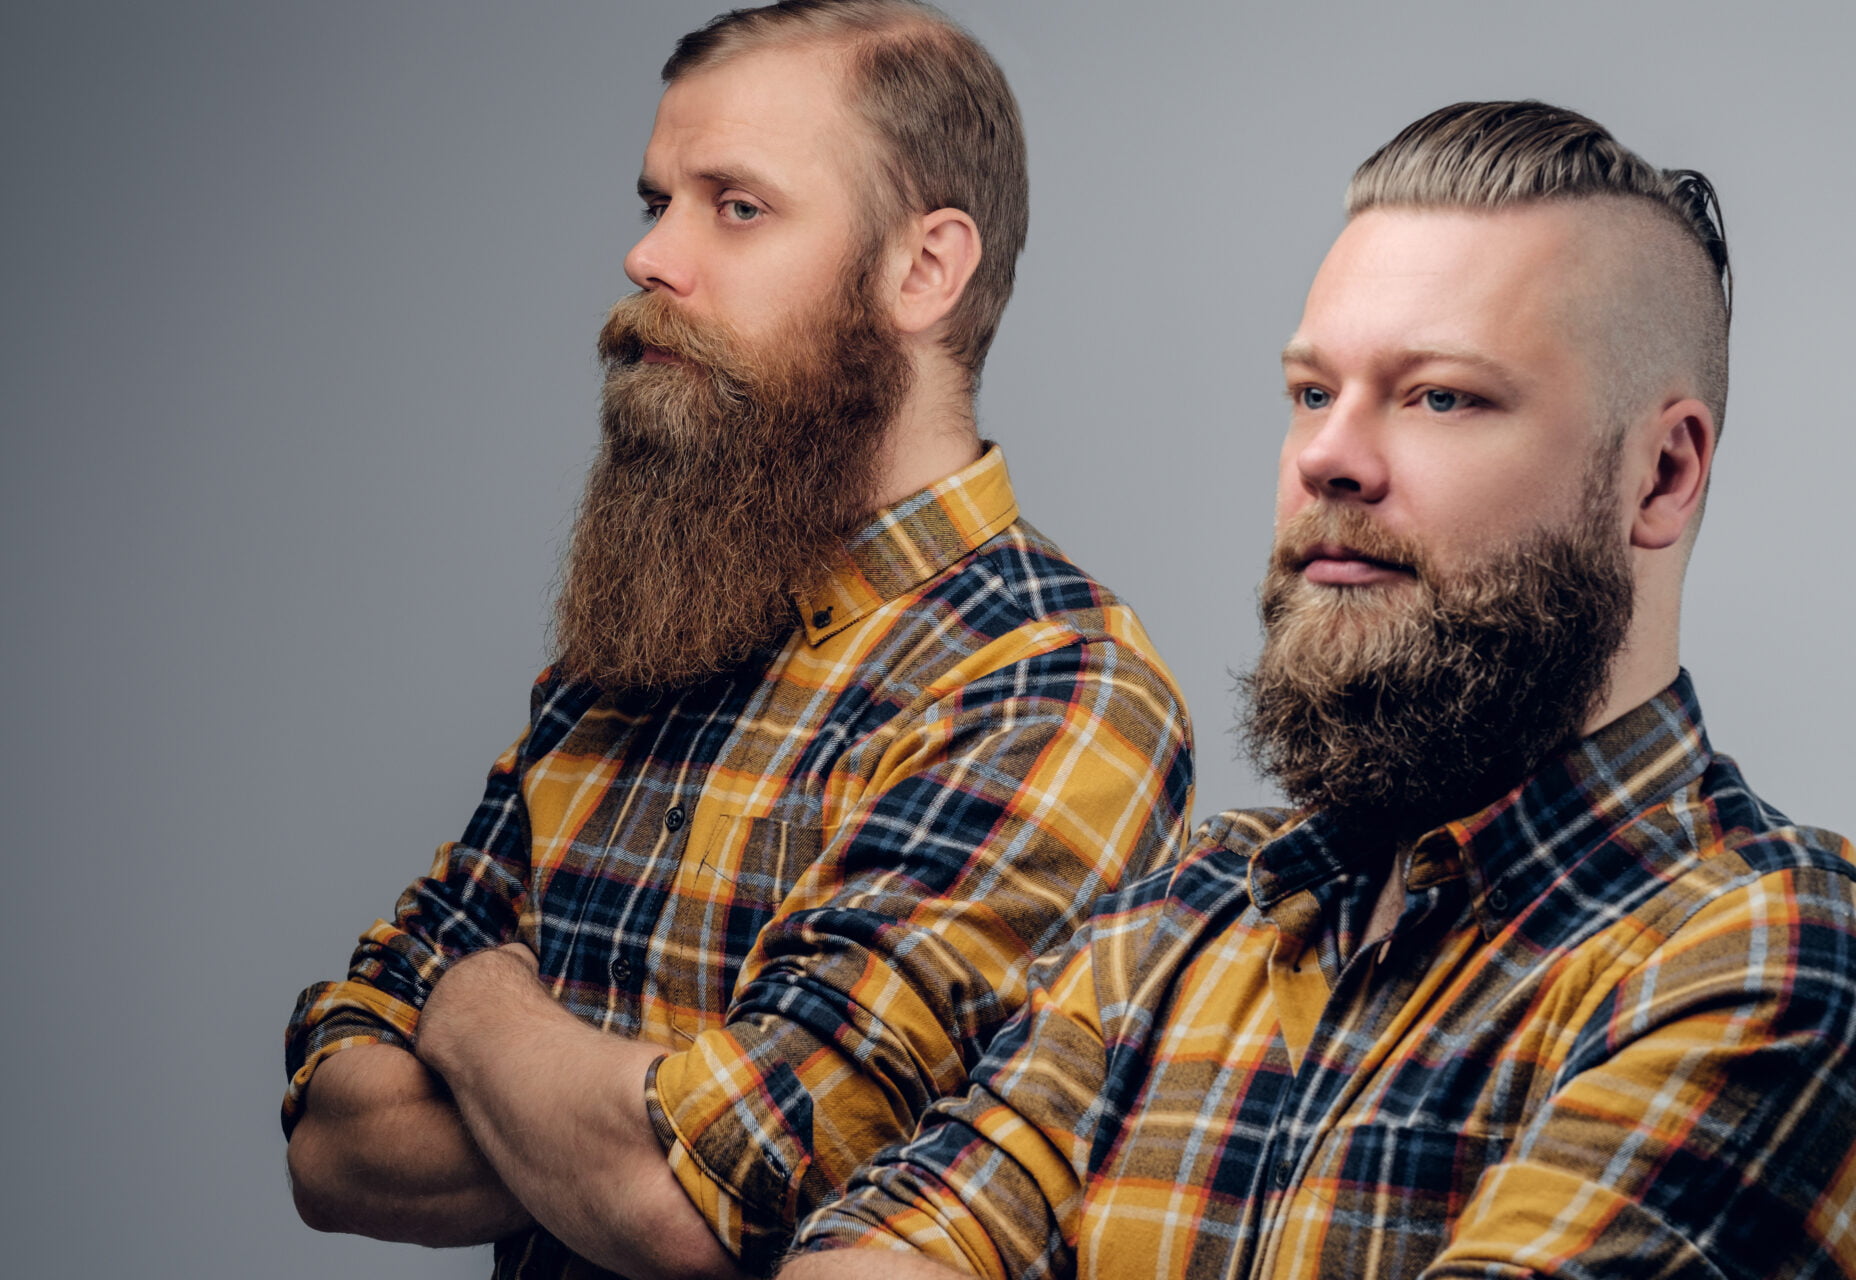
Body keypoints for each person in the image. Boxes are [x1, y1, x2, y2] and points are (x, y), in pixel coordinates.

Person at [784, 100, 1856, 1280]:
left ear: (1661, 474)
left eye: (1441, 395)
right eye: (1310, 391)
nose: (1326, 457)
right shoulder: (1180, 919)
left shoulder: (1770, 952)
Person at [280, 3, 1194, 1278]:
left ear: (924, 269)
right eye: (657, 201)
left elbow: (692, 1203)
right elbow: (332, 1137)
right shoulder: (638, 641)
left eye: (737, 207)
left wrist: (480, 1009)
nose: (652, 257)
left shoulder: (1051, 690)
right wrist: (652, 1113)